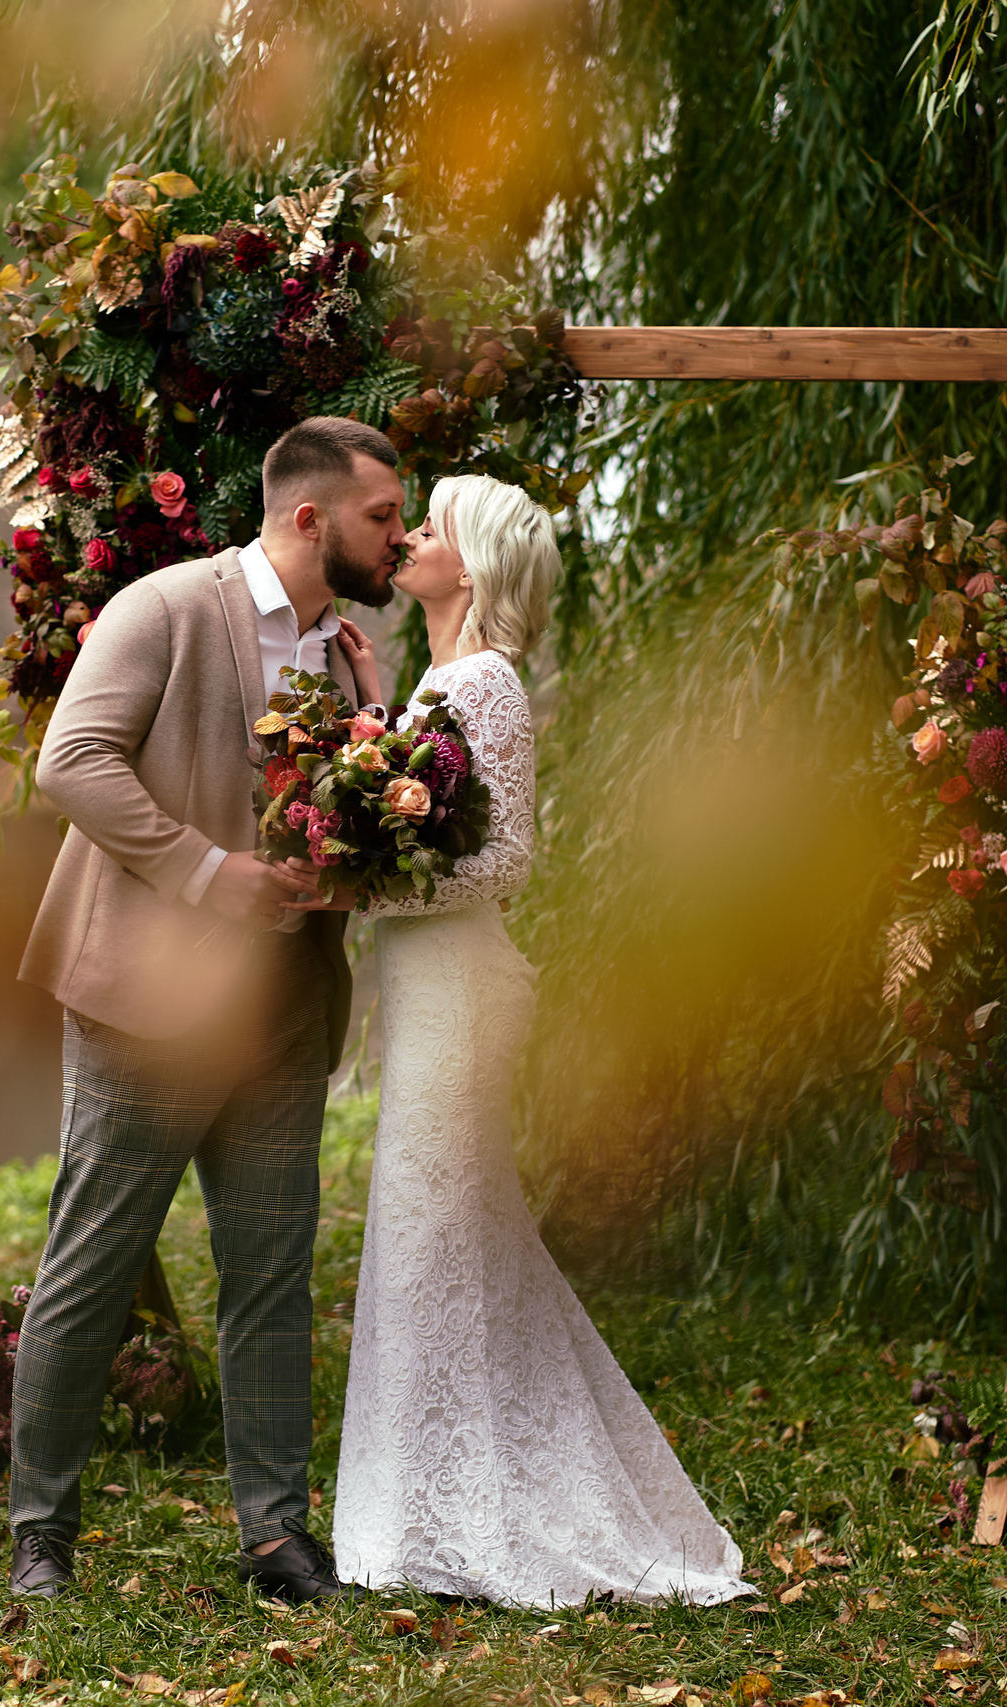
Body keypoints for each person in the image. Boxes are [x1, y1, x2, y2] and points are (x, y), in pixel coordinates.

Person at [325, 473, 754, 1608]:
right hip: (428, 980)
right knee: (440, 1225)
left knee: (439, 1224)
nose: (409, 534)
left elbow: (505, 859)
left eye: (432, 524)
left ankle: (459, 1509)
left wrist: (360, 887)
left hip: (459, 983)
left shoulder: (487, 683)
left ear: (469, 564)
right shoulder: (439, 674)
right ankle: (424, 1497)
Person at [4, 416, 404, 1604]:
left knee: (272, 1271)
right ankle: (42, 1538)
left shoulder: (345, 653)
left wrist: (344, 859)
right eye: (382, 516)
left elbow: (324, 821)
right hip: (148, 1005)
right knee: (92, 1261)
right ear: (308, 518)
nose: (399, 535)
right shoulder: (165, 607)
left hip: (286, 1006)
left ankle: (276, 1537)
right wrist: (208, 875)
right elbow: (71, 762)